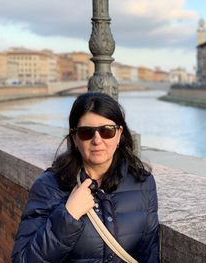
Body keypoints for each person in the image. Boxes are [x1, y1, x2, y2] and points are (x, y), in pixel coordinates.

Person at [12, 92, 159, 262]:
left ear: (119, 134)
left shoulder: (143, 183)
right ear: (74, 138)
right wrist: (68, 216)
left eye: (107, 131)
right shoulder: (49, 186)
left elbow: (150, 254)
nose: (97, 140)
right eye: (86, 133)